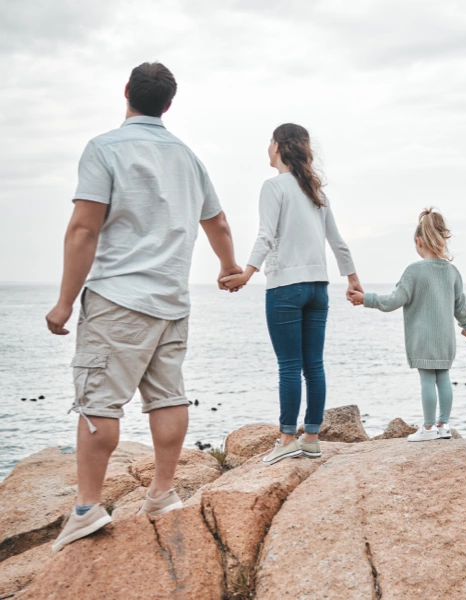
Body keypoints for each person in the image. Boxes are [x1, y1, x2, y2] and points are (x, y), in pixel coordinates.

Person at [45, 62, 242, 552]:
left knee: (99, 400)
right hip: (172, 300)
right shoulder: (189, 157)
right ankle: (161, 492)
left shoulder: (104, 148)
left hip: (118, 297)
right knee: (168, 395)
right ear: (169, 104)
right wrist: (228, 266)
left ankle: (88, 508)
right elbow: (217, 222)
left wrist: (65, 302)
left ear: (127, 92)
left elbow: (84, 229)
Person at [221, 124, 361, 465]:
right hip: (319, 287)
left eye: (270, 141)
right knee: (313, 365)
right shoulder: (316, 190)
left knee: (289, 366)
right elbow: (338, 242)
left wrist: (246, 273)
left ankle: (286, 439)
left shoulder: (273, 187)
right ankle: (311, 438)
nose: (267, 147)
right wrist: (353, 280)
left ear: (280, 147)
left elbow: (265, 236)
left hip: (285, 287)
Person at [349, 209, 466, 442]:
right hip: (446, 339)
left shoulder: (414, 271)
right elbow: (460, 306)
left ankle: (428, 429)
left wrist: (365, 299)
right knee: (444, 378)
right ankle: (443, 425)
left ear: (419, 241)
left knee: (427, 380)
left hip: (422, 338)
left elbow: (392, 301)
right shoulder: (452, 272)